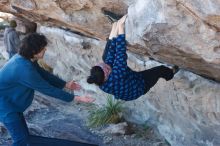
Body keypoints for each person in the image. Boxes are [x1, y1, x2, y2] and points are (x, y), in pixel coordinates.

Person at [0, 33, 95, 146]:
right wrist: (76, 98)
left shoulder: (24, 59)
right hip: (5, 107)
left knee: (25, 139)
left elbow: (44, 74)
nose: (45, 49)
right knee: (21, 140)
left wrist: (65, 84)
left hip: (11, 104)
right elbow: (48, 89)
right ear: (34, 51)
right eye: (42, 48)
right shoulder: (24, 69)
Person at [87, 15, 179, 101]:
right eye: (104, 66)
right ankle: (171, 73)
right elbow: (120, 51)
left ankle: (114, 25)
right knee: (160, 70)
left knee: (106, 57)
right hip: (139, 87)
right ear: (107, 73)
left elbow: (110, 55)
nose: (104, 64)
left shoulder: (100, 80)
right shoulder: (118, 74)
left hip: (129, 79)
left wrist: (115, 28)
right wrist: (121, 26)